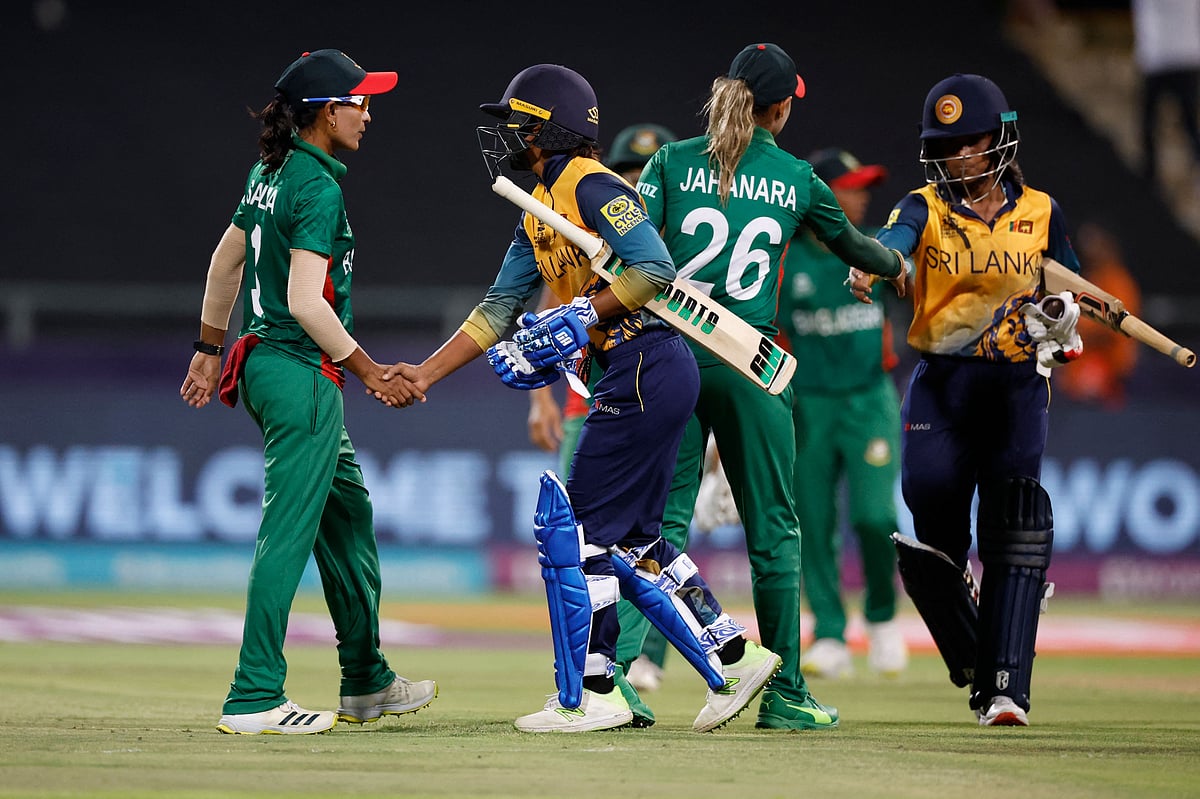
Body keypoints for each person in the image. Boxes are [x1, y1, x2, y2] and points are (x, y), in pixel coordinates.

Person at [385, 63, 780, 733]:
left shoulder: (594, 184)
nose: (505, 133)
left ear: (550, 129)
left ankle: (596, 690)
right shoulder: (537, 205)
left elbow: (653, 267)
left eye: (517, 122)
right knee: (635, 540)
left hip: (643, 363)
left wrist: (579, 317)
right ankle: (733, 654)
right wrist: (425, 374)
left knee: (581, 534)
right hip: (637, 369)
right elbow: (498, 308)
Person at [628, 42, 908, 731]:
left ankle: (625, 682)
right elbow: (856, 248)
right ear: (780, 109)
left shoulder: (670, 160)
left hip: (671, 356)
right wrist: (895, 262)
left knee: (658, 527)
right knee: (775, 530)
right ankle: (783, 692)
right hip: (750, 363)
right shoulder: (796, 176)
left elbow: (630, 243)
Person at [179, 49, 437, 735]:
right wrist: (371, 370)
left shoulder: (271, 169)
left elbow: (223, 261)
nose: (368, 112)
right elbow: (304, 301)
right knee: (288, 534)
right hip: (301, 373)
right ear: (326, 111)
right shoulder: (319, 186)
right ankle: (254, 694)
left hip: (266, 365)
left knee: (347, 517)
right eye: (360, 101)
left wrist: (209, 348)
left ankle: (366, 680)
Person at [851, 73, 1083, 726]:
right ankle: (984, 623)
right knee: (931, 526)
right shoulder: (922, 206)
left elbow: (1071, 296)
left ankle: (1006, 687)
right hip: (943, 384)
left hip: (1015, 388)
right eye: (945, 146)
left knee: (1014, 522)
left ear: (999, 140)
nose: (958, 157)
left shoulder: (1042, 210)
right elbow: (891, 246)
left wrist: (1061, 321)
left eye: (969, 143)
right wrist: (871, 263)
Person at [523, 122, 680, 698]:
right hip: (591, 393)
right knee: (622, 536)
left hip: (639, 375)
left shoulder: (649, 231)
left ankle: (604, 678)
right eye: (627, 171)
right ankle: (725, 652)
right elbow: (552, 296)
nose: (634, 183)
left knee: (599, 535)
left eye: (645, 174)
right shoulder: (579, 214)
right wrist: (543, 393)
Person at [776, 147, 908, 680]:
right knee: (813, 522)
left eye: (862, 186)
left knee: (876, 519)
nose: (861, 196)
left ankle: (882, 617)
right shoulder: (783, 257)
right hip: (807, 403)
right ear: (821, 196)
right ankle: (829, 632)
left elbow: (915, 275)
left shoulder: (878, 246)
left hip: (868, 399)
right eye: (849, 187)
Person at [1056, 222, 1141, 409]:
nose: (1090, 250)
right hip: (1077, 372)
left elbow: (1115, 329)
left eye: (1096, 243)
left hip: (1109, 371)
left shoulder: (1118, 282)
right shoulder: (1089, 278)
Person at [1133, 0, 1200, 184]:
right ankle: (1149, 175)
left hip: (1162, 57)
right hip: (1178, 56)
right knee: (1187, 122)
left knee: (1155, 123)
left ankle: (1149, 176)